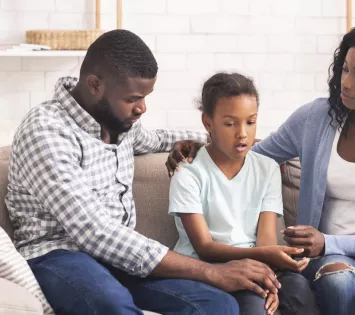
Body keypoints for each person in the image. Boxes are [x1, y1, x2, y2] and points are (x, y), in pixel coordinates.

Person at [166, 13, 355, 315]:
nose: (346, 83)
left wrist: (328, 242)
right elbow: (252, 155)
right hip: (330, 255)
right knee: (338, 285)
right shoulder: (317, 119)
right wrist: (200, 145)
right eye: (345, 70)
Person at [5, 30, 280, 315]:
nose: (142, 107)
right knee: (112, 305)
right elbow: (95, 232)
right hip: (59, 256)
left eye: (145, 96)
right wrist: (212, 272)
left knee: (217, 305)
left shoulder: (119, 122)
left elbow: (158, 138)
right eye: (133, 98)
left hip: (120, 260)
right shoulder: (46, 131)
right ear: (95, 85)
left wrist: (234, 142)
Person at [168, 72, 319, 315]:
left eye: (250, 122)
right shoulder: (188, 172)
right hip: (208, 269)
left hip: (257, 262)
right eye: (230, 124)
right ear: (208, 123)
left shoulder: (267, 168)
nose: (242, 133)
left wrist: (267, 272)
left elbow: (266, 240)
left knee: (299, 290)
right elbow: (205, 247)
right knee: (255, 307)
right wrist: (263, 263)